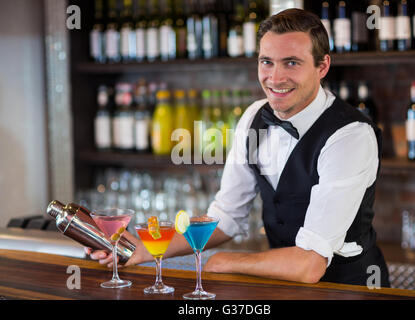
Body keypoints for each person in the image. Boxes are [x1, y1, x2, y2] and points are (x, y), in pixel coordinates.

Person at [86, 8, 390, 287]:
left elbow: (308, 265)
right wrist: (146, 246)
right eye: (266, 62)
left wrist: (222, 262)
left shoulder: (350, 135)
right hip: (285, 290)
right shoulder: (254, 116)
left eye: (292, 63)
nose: (275, 77)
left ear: (322, 66)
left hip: (349, 289)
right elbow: (226, 217)